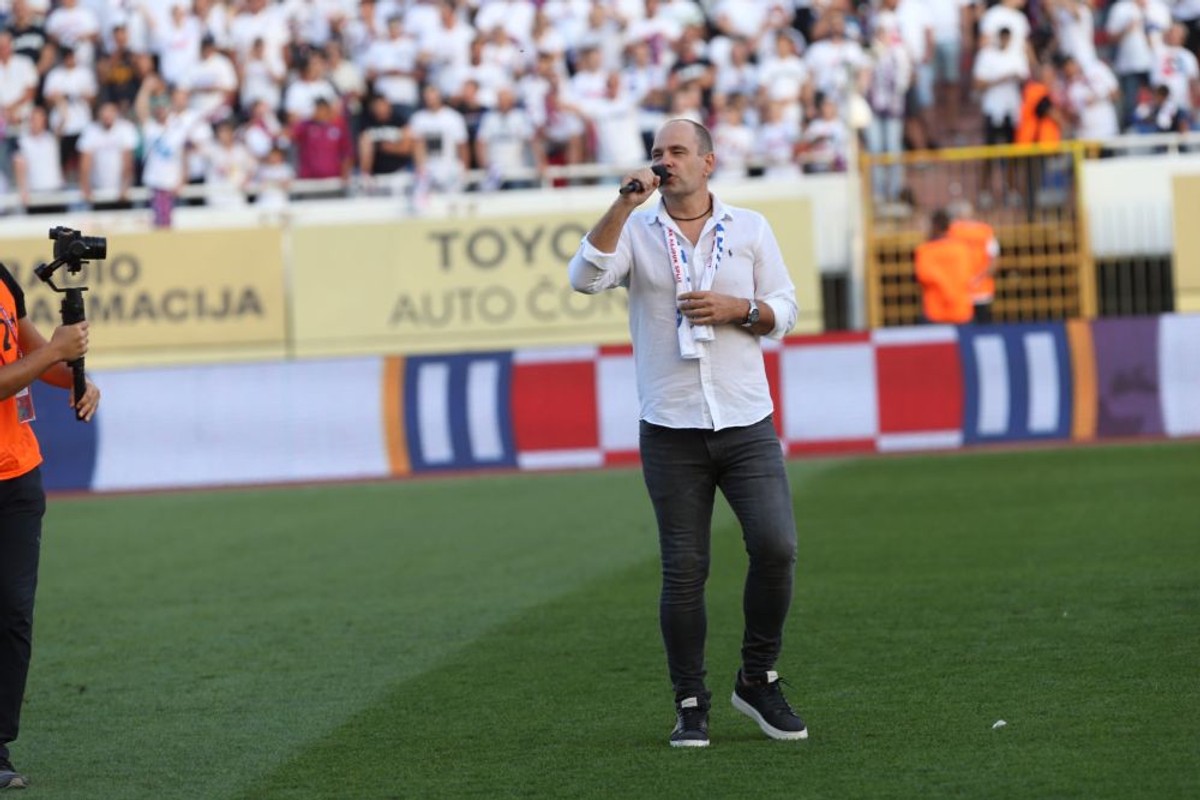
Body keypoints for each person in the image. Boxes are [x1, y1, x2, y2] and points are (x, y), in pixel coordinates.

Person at [567, 119, 805, 749]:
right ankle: (691, 700)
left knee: (777, 547)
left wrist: (741, 311)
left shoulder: (750, 226)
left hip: (746, 419)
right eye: (656, 153)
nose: (664, 162)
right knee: (684, 570)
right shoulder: (636, 229)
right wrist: (624, 200)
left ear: (707, 162)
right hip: (671, 427)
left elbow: (786, 307)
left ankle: (757, 677)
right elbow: (584, 278)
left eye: (676, 152)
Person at [0, 259, 99, 791]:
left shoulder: (4, 281)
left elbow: (38, 358)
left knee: (13, 616)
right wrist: (56, 351)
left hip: (17, 476)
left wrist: (78, 374)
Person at [914, 208, 975, 324]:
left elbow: (922, 277)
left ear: (934, 226)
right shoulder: (962, 249)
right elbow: (969, 275)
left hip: (936, 313)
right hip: (961, 311)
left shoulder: (925, 251)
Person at [948, 203, 1001, 322]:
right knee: (983, 330)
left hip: (960, 290)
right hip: (980, 289)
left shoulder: (951, 231)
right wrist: (979, 278)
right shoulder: (985, 231)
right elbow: (994, 260)